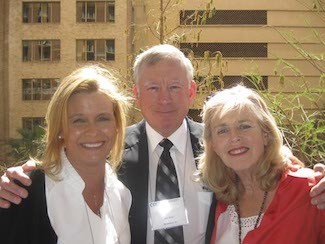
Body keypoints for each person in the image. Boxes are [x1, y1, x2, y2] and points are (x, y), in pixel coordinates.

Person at [0, 44, 325, 244]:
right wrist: (22, 175)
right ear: (137, 93)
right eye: (153, 88)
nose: (165, 99)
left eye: (174, 86)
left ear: (192, 91)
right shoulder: (108, 152)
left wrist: (302, 172)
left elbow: (268, 172)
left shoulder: (219, 148)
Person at [0, 65, 132, 244]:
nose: (92, 131)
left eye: (103, 118)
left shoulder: (122, 192)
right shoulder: (23, 191)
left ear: (117, 125)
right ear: (60, 129)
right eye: (79, 120)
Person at [199, 85, 325, 243]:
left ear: (266, 134)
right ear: (213, 146)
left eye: (244, 126)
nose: (234, 137)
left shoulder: (311, 191)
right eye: (222, 131)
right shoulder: (219, 197)